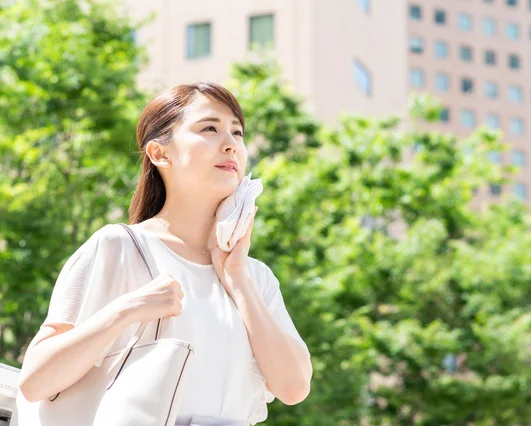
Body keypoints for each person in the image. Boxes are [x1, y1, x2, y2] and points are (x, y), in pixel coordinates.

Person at [16, 82, 313, 425]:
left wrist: (238, 279)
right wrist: (127, 309)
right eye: (209, 128)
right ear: (159, 153)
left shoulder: (255, 277)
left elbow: (294, 388)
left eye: (237, 132)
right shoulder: (121, 247)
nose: (231, 144)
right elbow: (36, 381)